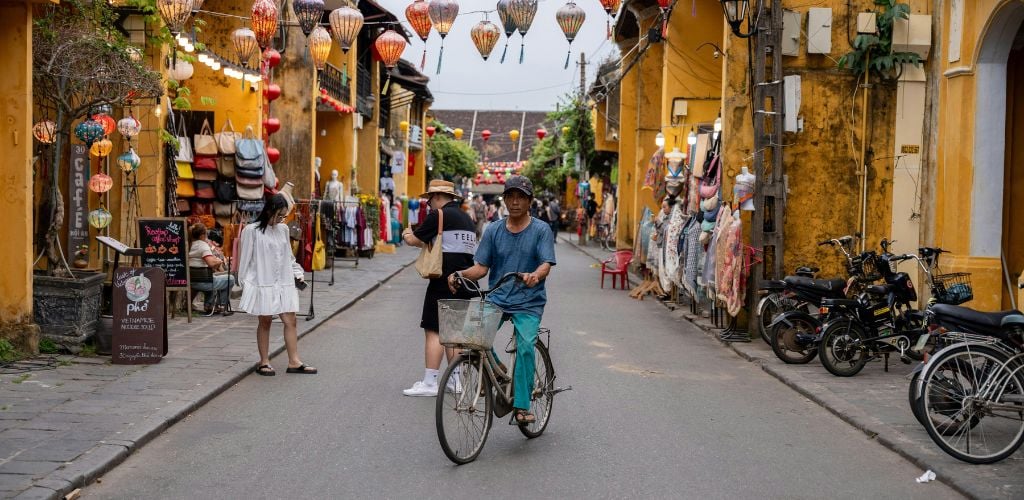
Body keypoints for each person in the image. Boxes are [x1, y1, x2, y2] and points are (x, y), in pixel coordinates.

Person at [448, 176, 556, 425]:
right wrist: (460, 274)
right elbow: (481, 268)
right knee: (470, 335)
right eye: (511, 197)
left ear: (529, 201)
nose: (515, 202)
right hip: (498, 296)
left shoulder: (541, 230)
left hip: (529, 300)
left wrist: (535, 275)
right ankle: (497, 370)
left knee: (526, 345)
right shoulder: (494, 230)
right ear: (505, 199)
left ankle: (521, 406)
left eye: (521, 197)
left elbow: (546, 264)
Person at [401, 180, 478, 396]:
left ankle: (430, 382)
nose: (429, 204)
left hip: (443, 280)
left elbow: (417, 240)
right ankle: (455, 380)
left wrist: (407, 235)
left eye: (429, 200)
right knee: (453, 331)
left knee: (434, 329)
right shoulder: (467, 218)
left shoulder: (439, 215)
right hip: (464, 281)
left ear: (436, 197)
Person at [237, 194, 317, 376]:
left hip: (284, 282)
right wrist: (245, 283)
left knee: (291, 320)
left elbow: (288, 256)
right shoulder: (251, 231)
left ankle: (294, 361)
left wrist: (297, 273)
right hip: (263, 282)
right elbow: (245, 260)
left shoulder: (283, 230)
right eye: (279, 215)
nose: (281, 219)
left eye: (283, 216)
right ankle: (264, 361)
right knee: (265, 321)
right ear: (270, 211)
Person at [187, 223, 234, 316]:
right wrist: (219, 261)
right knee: (230, 278)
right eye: (206, 234)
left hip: (191, 281)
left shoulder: (188, 244)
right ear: (202, 235)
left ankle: (209, 304)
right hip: (203, 282)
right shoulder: (203, 246)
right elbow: (211, 263)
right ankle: (221, 305)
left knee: (214, 277)